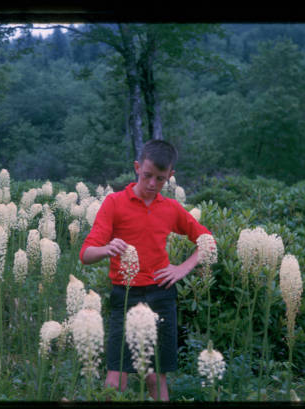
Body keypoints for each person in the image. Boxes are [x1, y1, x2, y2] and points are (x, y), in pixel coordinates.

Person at [79, 139, 213, 401]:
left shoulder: (171, 208)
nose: (152, 184)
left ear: (170, 176)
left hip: (161, 295)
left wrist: (182, 268)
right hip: (125, 295)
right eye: (148, 175)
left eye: (160, 179)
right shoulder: (114, 203)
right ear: (137, 167)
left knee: (155, 376)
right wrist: (106, 248)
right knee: (116, 378)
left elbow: (207, 241)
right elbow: (86, 254)